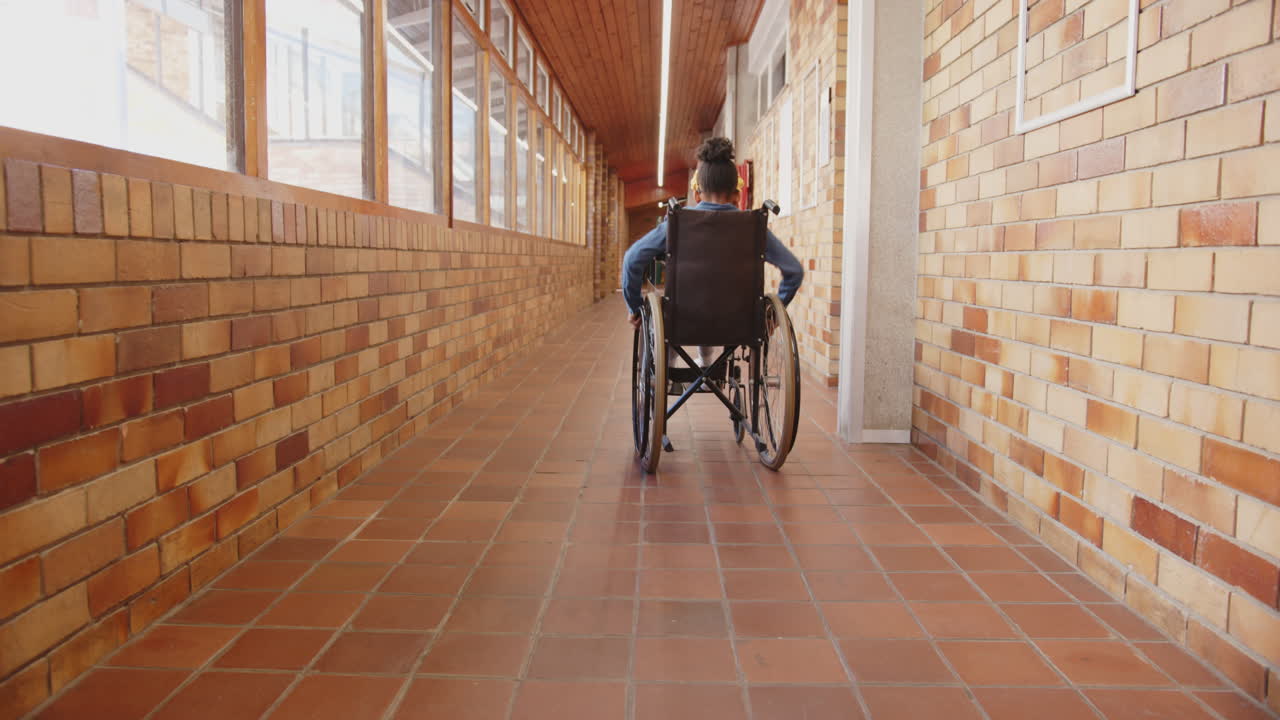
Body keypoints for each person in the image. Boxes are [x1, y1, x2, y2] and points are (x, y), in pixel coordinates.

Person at [622, 137, 804, 336]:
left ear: (698, 193)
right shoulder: (754, 227)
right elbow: (794, 270)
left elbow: (632, 259)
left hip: (682, 318)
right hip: (741, 321)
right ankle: (707, 360)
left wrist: (636, 308)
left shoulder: (676, 224)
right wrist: (771, 318)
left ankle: (682, 362)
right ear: (737, 195)